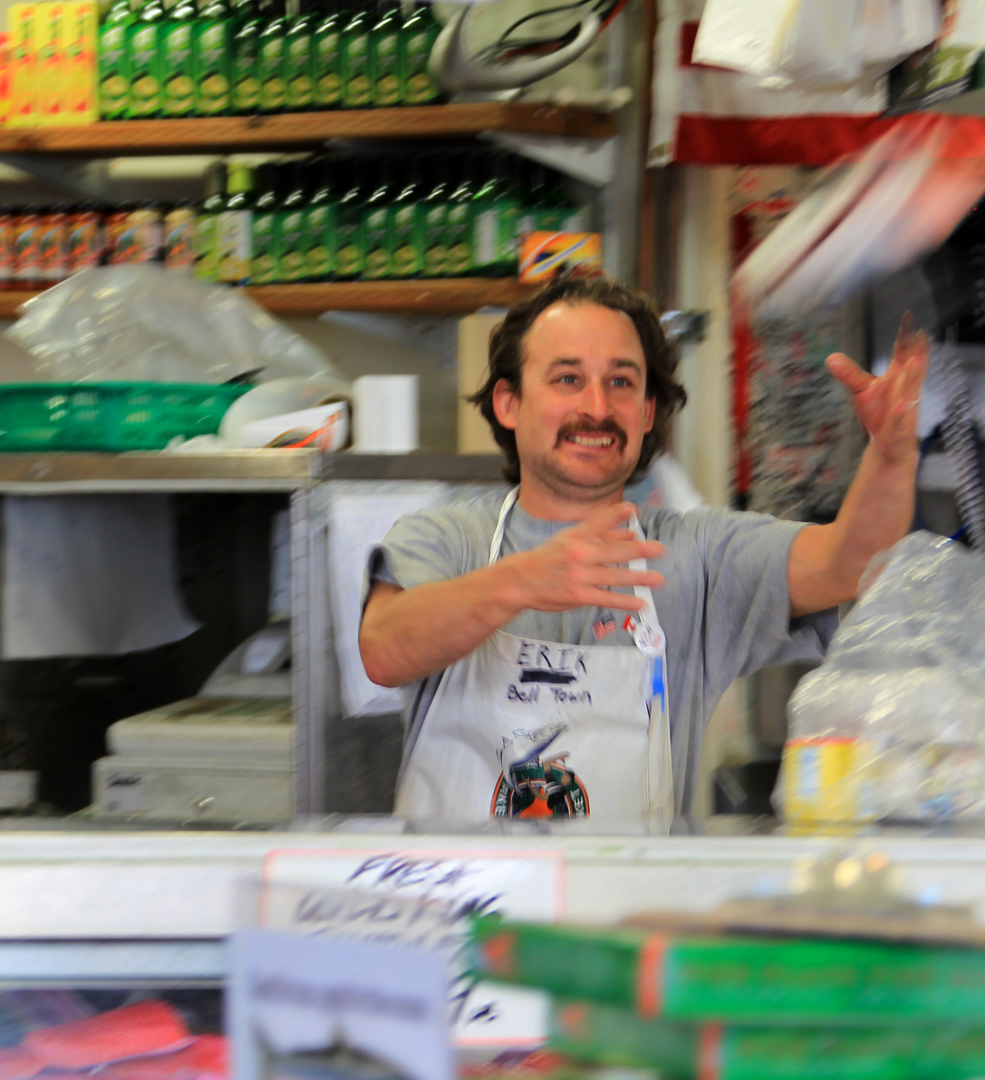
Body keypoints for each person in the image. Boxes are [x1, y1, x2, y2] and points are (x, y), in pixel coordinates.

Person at [358, 276, 926, 820]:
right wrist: (520, 582)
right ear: (508, 403)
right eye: (567, 379)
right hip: (457, 901)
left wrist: (892, 457)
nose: (597, 408)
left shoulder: (698, 553)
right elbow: (384, 651)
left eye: (622, 382)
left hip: (620, 910)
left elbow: (849, 564)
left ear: (648, 411)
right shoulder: (444, 538)